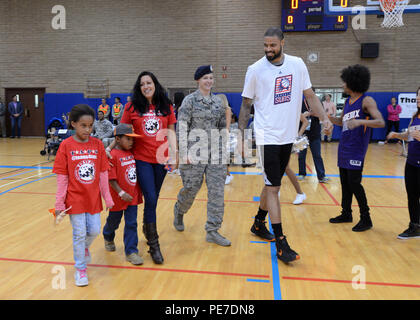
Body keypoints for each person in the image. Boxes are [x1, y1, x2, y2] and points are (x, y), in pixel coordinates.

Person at [238, 27, 333, 263]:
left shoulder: (298, 65)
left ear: (283, 42)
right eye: (265, 46)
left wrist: (325, 118)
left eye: (273, 45)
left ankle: (259, 222)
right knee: (273, 188)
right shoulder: (255, 70)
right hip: (267, 136)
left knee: (273, 182)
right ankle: (281, 244)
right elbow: (245, 106)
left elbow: (310, 96)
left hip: (287, 136)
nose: (268, 50)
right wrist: (240, 136)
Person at [108, 71, 177, 264]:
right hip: (141, 159)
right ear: (139, 88)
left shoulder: (166, 105)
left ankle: (148, 229)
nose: (146, 86)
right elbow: (121, 131)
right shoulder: (131, 106)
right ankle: (154, 245)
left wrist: (174, 154)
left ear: (155, 84)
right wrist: (110, 148)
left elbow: (171, 131)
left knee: (153, 200)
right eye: (142, 84)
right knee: (151, 198)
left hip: (161, 159)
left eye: (149, 82)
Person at [52, 104, 114, 287]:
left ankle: (84, 248)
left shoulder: (97, 145)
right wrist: (59, 203)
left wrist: (107, 197)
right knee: (79, 233)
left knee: (94, 230)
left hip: (93, 197)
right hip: (74, 198)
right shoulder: (65, 146)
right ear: (73, 124)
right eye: (83, 126)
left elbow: (103, 174)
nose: (88, 130)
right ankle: (80, 268)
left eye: (90, 125)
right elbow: (62, 178)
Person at [173, 65, 231, 247]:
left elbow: (222, 127)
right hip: (194, 153)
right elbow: (181, 127)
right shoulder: (189, 101)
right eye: (205, 78)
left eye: (211, 78)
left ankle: (213, 230)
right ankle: (179, 210)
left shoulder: (218, 102)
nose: (209, 81)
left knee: (217, 192)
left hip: (215, 154)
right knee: (191, 189)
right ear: (198, 80)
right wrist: (184, 152)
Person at [328, 64, 385, 232]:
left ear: (353, 82)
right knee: (345, 184)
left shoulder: (367, 101)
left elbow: (381, 122)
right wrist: (326, 118)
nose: (342, 85)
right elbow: (341, 122)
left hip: (357, 150)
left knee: (355, 184)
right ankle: (346, 213)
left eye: (344, 82)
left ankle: (366, 218)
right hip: (344, 148)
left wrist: (360, 121)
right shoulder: (347, 102)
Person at [103, 123, 144, 265]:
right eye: (128, 139)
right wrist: (121, 193)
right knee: (114, 221)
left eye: (132, 139)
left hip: (131, 196)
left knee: (132, 223)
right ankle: (108, 235)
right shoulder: (112, 156)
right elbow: (111, 179)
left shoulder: (131, 152)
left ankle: (131, 252)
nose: (131, 142)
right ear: (118, 139)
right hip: (118, 197)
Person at [387, 87, 420, 239]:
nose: (418, 98)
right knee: (412, 196)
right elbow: (409, 136)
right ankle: (415, 226)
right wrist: (397, 135)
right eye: (417, 95)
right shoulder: (415, 116)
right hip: (412, 162)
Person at [298, 96, 330, 183]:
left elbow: (322, 114)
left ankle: (321, 176)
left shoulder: (317, 103)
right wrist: (303, 115)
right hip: (303, 134)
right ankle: (302, 173)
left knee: (317, 155)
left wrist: (310, 113)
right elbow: (296, 115)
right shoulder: (300, 102)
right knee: (301, 155)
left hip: (315, 134)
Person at [219, 93, 234, 185]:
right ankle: (225, 175)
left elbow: (227, 126)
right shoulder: (218, 110)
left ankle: (227, 175)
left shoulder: (227, 110)